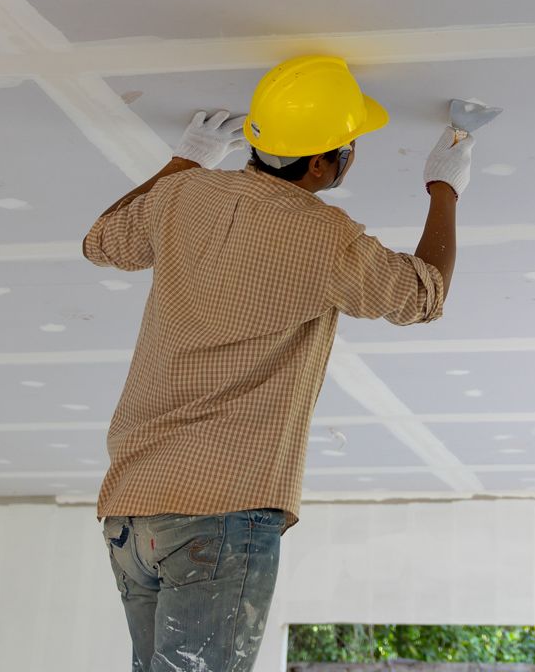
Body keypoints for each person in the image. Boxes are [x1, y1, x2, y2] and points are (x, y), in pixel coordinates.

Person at [81, 54, 474, 672]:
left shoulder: (183, 195)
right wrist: (444, 185)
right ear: (320, 162)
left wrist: (187, 159)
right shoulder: (323, 235)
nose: (352, 153)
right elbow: (422, 295)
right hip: (218, 511)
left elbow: (102, 241)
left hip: (132, 509)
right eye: (348, 144)